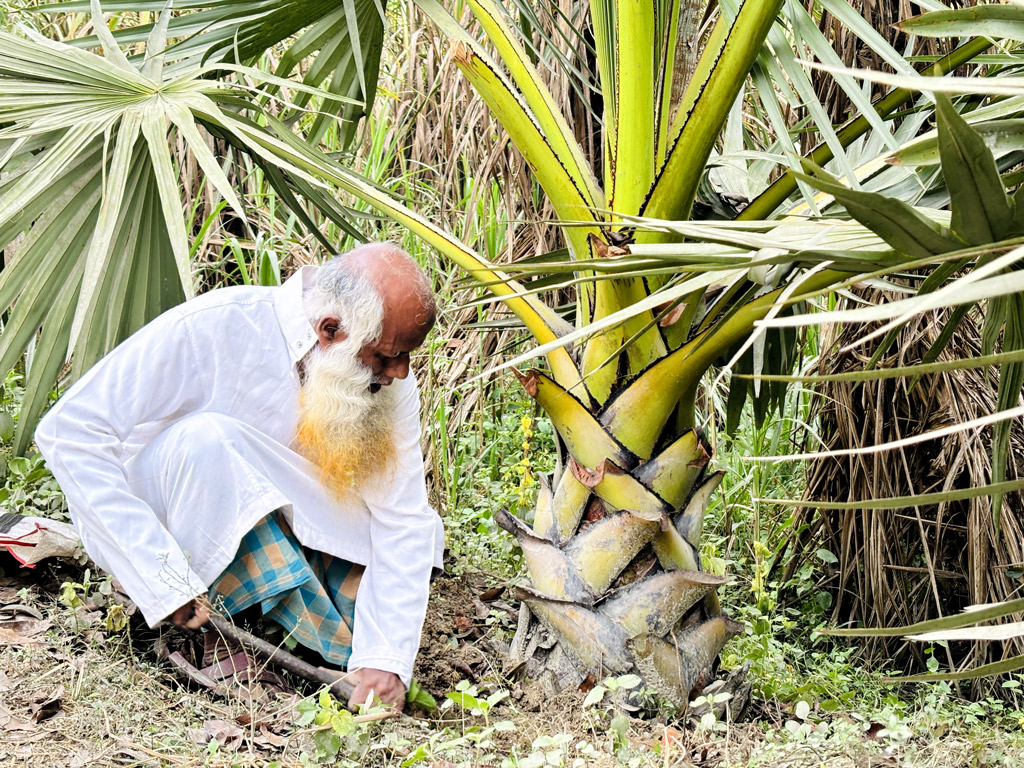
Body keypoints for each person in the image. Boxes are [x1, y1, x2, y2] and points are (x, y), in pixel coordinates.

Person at [34, 243, 443, 711]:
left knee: (423, 530)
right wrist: (159, 575)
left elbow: (403, 518)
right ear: (330, 330)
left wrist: (385, 660)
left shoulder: (387, 378)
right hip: (166, 521)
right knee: (209, 441)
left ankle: (307, 638)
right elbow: (69, 431)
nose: (401, 372)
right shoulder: (218, 325)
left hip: (289, 516)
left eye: (406, 356)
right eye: (387, 356)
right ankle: (209, 637)